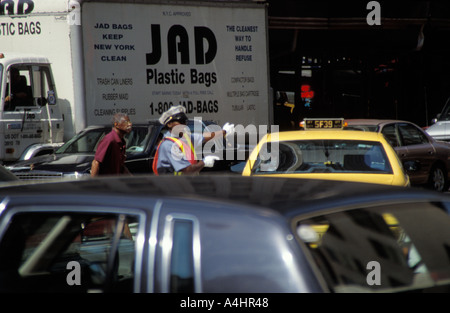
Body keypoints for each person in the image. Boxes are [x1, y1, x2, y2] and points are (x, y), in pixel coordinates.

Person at [153, 105, 235, 175]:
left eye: (185, 121)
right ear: (169, 124)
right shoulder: (168, 145)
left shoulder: (186, 138)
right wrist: (204, 162)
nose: (184, 125)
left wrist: (224, 131)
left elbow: (205, 136)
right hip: (171, 188)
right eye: (180, 121)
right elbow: (187, 170)